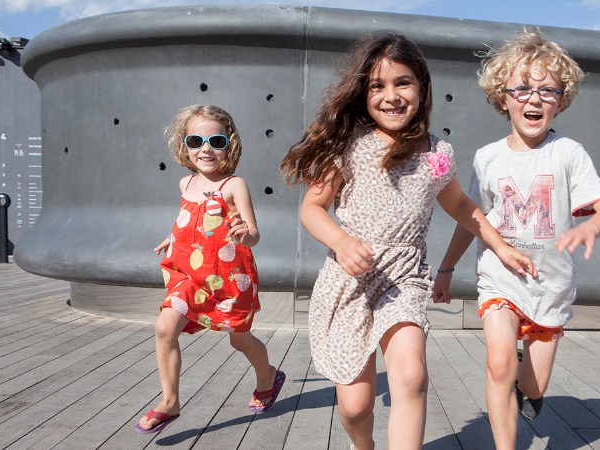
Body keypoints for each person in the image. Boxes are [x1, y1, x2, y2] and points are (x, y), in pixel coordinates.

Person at [279, 31, 536, 450]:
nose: (391, 95)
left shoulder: (437, 153)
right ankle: (363, 445)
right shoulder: (347, 146)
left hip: (405, 280)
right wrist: (342, 242)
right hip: (349, 283)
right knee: (355, 408)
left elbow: (461, 206)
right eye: (377, 86)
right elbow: (312, 208)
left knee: (412, 376)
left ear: (422, 87)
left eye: (403, 82)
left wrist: (502, 245)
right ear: (363, 93)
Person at [432, 29, 600, 450]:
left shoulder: (569, 153)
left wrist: (591, 225)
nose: (534, 99)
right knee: (499, 363)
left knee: (533, 385)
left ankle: (528, 390)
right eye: (522, 88)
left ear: (561, 100)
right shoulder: (487, 157)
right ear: (503, 98)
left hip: (549, 286)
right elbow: (472, 220)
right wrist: (445, 270)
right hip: (500, 278)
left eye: (547, 91)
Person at [136, 104, 286, 433]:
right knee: (165, 327)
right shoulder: (185, 184)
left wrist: (245, 233)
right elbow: (189, 221)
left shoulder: (234, 185)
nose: (206, 149)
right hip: (190, 274)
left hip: (231, 278)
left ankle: (268, 377)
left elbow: (254, 233)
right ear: (183, 145)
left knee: (240, 341)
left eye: (216, 141)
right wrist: (170, 237)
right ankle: (170, 401)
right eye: (196, 140)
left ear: (229, 145)